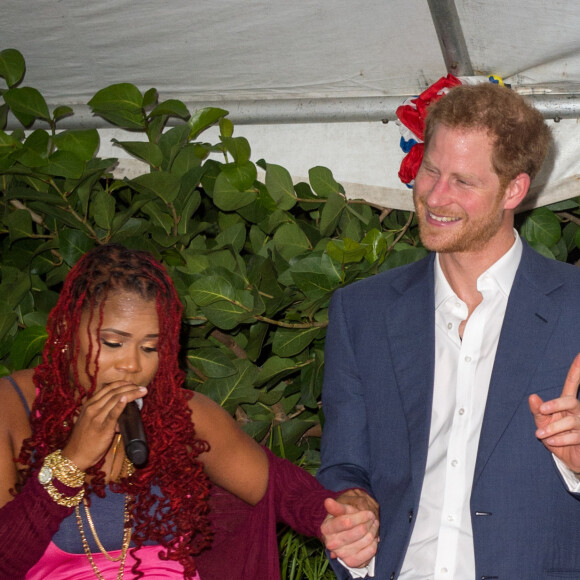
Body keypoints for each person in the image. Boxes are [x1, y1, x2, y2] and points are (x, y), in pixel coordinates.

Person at [317, 81, 580, 580]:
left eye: (463, 181)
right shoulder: (361, 311)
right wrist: (353, 511)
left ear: (514, 190)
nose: (435, 196)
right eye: (431, 171)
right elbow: (344, 468)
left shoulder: (575, 307)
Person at [0, 243, 378, 580]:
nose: (131, 365)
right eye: (113, 343)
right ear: (66, 329)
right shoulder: (12, 408)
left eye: (150, 348)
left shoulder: (182, 415)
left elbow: (283, 489)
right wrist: (71, 463)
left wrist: (335, 516)